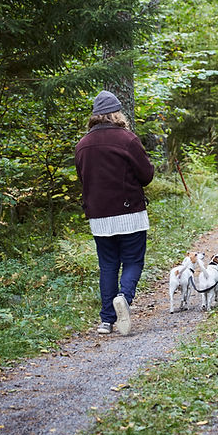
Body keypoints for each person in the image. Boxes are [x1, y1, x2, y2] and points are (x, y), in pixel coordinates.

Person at [74, 90, 154, 336]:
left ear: (95, 117)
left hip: (99, 217)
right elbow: (146, 175)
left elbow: (82, 179)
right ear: (117, 113)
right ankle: (124, 298)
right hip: (130, 214)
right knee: (133, 261)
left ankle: (106, 321)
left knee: (108, 266)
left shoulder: (82, 146)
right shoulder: (127, 140)